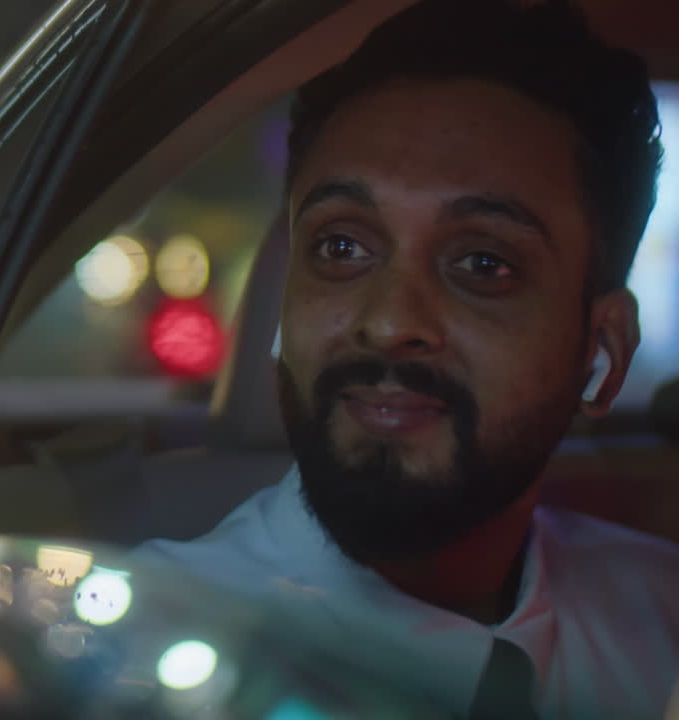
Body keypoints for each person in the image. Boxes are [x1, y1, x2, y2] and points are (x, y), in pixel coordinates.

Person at [135, 1, 679, 717]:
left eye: (484, 263)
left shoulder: (662, 618)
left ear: (603, 349)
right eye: (340, 248)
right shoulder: (136, 653)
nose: (389, 322)